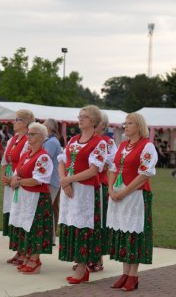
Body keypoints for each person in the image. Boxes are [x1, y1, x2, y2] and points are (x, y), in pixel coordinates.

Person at [107, 112, 158, 291]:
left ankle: (133, 276)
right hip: (119, 194)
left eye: (129, 123)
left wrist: (124, 192)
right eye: (125, 123)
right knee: (122, 232)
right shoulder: (122, 145)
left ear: (138, 126)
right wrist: (111, 189)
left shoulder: (147, 146)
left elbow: (145, 174)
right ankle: (125, 273)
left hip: (135, 196)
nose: (125, 126)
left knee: (133, 234)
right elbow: (114, 168)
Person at [58, 105, 107, 284]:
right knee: (72, 224)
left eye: (84, 116)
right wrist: (64, 181)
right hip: (70, 189)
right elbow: (62, 161)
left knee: (83, 227)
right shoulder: (73, 140)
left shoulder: (99, 143)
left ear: (93, 121)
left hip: (86, 191)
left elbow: (94, 170)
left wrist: (69, 180)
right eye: (79, 116)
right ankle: (79, 264)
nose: (80, 119)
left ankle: (82, 268)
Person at [8, 122, 53, 274]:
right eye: (28, 133)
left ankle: (35, 260)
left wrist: (18, 181)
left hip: (37, 198)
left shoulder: (43, 157)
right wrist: (14, 178)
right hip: (24, 197)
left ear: (41, 137)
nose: (28, 136)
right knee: (25, 226)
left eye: (32, 134)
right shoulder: (27, 154)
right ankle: (27, 256)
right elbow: (17, 171)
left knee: (35, 228)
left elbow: (39, 179)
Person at [1, 109, 34, 265]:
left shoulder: (28, 140)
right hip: (10, 179)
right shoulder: (13, 139)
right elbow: (5, 159)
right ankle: (18, 249)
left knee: (21, 214)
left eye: (18, 119)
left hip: (20, 179)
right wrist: (4, 175)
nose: (14, 122)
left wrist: (14, 178)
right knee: (13, 215)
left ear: (26, 123)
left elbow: (25, 160)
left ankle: (24, 250)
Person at [86, 112, 117, 272]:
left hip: (99, 185)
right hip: (83, 185)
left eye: (94, 123)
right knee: (84, 222)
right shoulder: (83, 139)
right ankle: (83, 257)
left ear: (102, 126)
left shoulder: (108, 142)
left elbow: (109, 164)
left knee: (98, 222)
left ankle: (97, 258)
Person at [42, 118, 63, 245]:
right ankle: (51, 237)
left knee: (47, 209)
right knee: (53, 208)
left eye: (43, 126)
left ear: (48, 128)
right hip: (54, 179)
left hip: (51, 180)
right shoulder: (53, 140)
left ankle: (49, 237)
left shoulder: (50, 142)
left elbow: (44, 158)